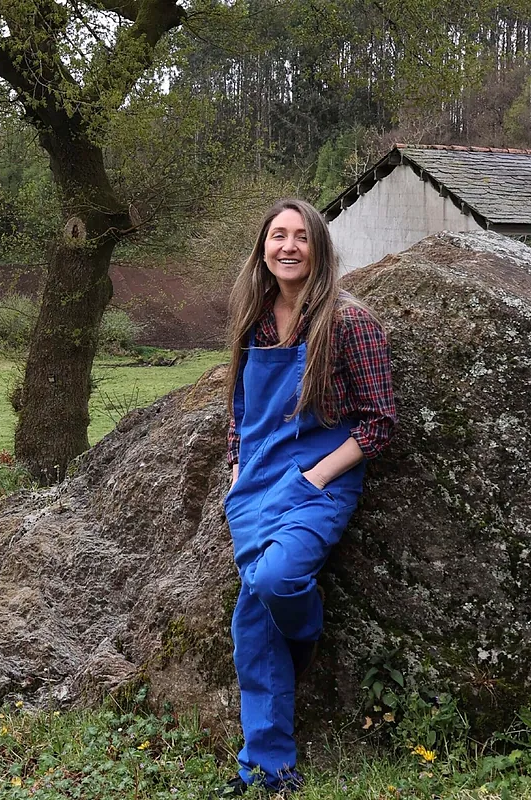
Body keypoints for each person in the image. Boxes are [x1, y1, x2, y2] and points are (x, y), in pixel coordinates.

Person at [216, 198, 396, 796]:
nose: (288, 247)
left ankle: (307, 636)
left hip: (319, 480)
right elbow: (241, 410)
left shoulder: (350, 323)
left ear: (319, 247)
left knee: (274, 586)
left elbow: (378, 425)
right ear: (262, 248)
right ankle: (267, 767)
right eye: (277, 236)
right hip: (257, 482)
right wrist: (240, 465)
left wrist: (316, 478)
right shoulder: (254, 319)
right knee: (251, 619)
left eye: (300, 237)